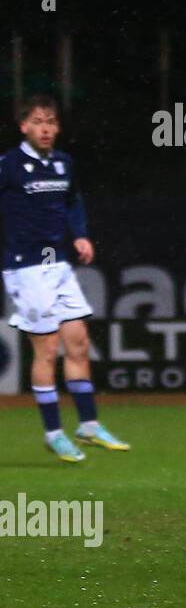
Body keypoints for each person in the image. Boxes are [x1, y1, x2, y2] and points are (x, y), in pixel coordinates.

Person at [0, 94, 130, 463]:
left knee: (78, 342)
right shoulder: (9, 165)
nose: (46, 128)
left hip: (58, 265)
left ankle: (87, 425)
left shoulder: (62, 163)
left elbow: (74, 201)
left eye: (51, 122)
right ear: (24, 126)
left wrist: (80, 234)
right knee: (47, 350)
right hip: (26, 268)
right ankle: (54, 433)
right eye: (38, 122)